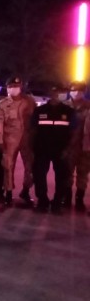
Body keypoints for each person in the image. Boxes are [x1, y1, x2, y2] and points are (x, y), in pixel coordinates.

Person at [31, 84, 75, 213]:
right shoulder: (39, 110)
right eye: (54, 93)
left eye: (59, 93)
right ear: (50, 94)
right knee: (39, 176)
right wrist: (31, 147)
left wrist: (68, 149)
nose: (56, 95)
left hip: (61, 150)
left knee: (61, 177)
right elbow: (32, 130)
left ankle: (57, 203)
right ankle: (42, 201)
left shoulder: (69, 111)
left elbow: (74, 132)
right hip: (41, 148)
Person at [0, 76, 36, 206]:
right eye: (11, 86)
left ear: (21, 87)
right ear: (7, 88)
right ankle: (8, 193)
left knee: (30, 166)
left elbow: (35, 120)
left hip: (27, 139)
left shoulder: (29, 101)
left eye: (16, 86)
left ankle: (25, 190)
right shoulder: (2, 104)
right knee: (8, 166)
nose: (14, 88)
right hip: (9, 138)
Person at [65, 81, 90, 211]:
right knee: (67, 173)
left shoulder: (88, 106)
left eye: (80, 90)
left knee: (83, 174)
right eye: (74, 90)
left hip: (85, 147)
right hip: (68, 147)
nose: (76, 93)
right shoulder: (64, 106)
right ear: (70, 91)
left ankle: (79, 200)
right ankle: (67, 198)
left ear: (84, 92)